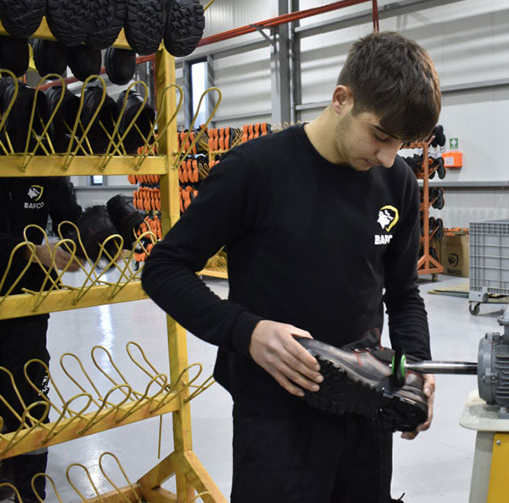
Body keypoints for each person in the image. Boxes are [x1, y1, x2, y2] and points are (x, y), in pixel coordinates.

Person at [142, 31, 440, 503]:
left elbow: (403, 293)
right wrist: (247, 332)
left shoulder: (397, 182)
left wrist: (416, 367)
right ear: (341, 99)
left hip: (367, 405)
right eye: (381, 136)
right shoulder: (254, 170)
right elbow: (163, 269)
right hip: (276, 417)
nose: (387, 157)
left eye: (399, 144)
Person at [0, 176, 83, 502]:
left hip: (29, 300)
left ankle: (30, 491)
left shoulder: (45, 166)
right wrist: (29, 251)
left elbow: (70, 219)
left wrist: (90, 240)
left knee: (30, 396)